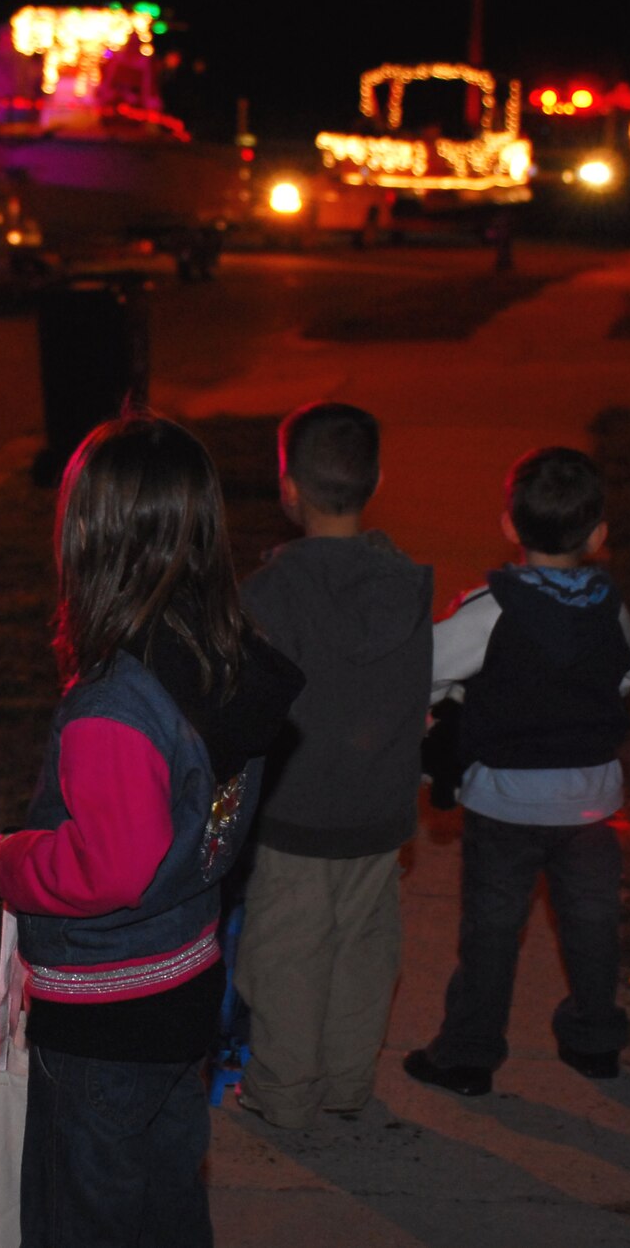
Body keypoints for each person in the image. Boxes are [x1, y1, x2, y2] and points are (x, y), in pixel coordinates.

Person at [0, 413, 303, 1247]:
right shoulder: (224, 659)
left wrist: (8, 864)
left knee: (84, 1216)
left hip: (104, 1021)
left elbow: (111, 867)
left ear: (87, 537)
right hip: (183, 989)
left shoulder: (116, 705)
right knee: (165, 1203)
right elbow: (204, 827)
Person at [405, 446, 630, 1097]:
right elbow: (625, 677)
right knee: (592, 925)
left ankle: (469, 1053)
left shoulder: (491, 609)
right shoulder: (609, 609)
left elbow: (426, 667)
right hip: (591, 804)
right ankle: (594, 1041)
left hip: (506, 803)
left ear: (510, 526)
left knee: (492, 931)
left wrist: (448, 707)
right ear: (598, 535)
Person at [232, 402, 432, 1129]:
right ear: (377, 479)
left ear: (288, 490)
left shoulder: (267, 597)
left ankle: (284, 1091)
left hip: (295, 814)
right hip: (378, 814)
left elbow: (246, 705)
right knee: (364, 947)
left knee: (287, 951)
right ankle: (348, 1082)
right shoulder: (407, 586)